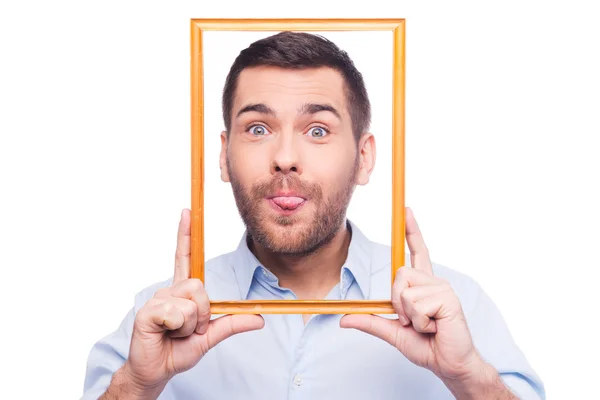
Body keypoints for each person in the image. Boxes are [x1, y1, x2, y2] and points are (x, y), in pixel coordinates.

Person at [82, 32, 545, 399]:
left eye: (318, 130)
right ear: (223, 157)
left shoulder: (455, 307)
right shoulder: (159, 318)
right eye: (258, 128)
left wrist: (468, 377)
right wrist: (139, 387)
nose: (285, 158)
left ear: (364, 158)